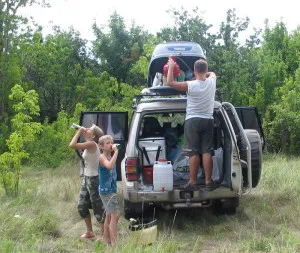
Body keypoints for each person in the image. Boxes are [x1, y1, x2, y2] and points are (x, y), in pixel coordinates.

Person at [167, 58, 217, 191]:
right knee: (206, 151)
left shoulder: (190, 85)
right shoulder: (212, 81)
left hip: (192, 121)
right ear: (205, 70)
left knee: (193, 152)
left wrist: (171, 66)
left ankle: (193, 182)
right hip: (208, 120)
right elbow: (212, 74)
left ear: (195, 70)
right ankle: (208, 181)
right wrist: (204, 74)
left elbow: (170, 82)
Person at [69, 124, 105, 239]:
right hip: (87, 178)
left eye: (89, 129)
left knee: (97, 207)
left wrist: (79, 132)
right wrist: (81, 132)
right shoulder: (89, 143)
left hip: (94, 179)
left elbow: (72, 145)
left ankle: (104, 235)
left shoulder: (92, 144)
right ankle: (90, 232)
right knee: (81, 206)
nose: (86, 129)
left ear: (93, 135)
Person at [98, 135, 120, 247]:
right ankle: (114, 244)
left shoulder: (109, 155)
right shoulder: (102, 157)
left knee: (109, 215)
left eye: (112, 142)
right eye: (108, 143)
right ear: (101, 146)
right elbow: (109, 166)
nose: (111, 144)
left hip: (110, 189)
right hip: (107, 191)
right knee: (114, 216)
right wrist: (116, 152)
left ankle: (107, 240)